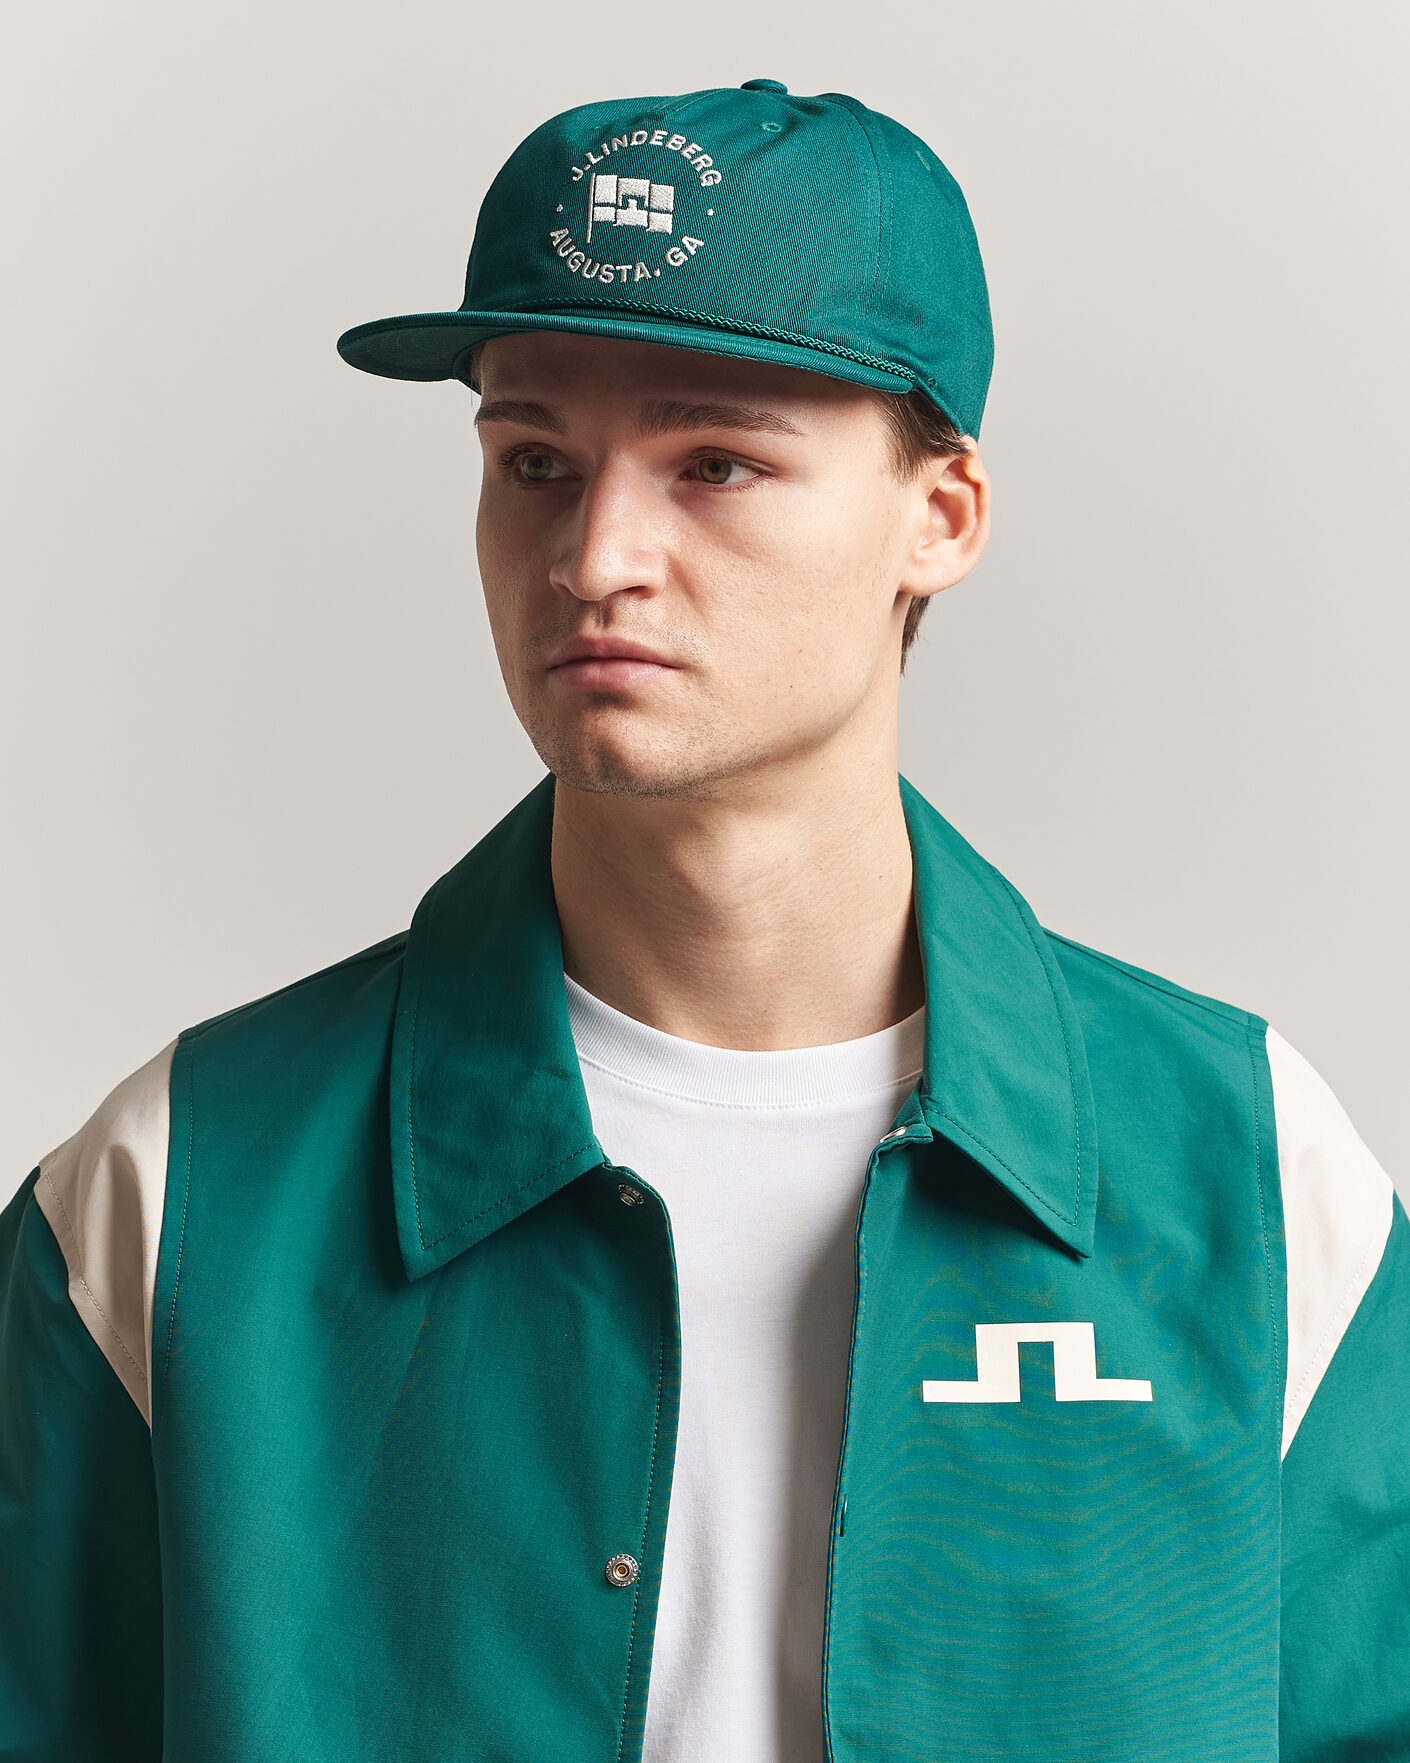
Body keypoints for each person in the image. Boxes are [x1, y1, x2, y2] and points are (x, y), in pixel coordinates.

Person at [2, 78, 1405, 1763]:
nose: (595, 556)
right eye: (534, 461)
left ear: (940, 517)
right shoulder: (181, 1185)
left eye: (717, 463)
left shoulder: (1250, 1173)